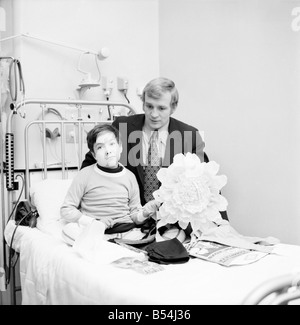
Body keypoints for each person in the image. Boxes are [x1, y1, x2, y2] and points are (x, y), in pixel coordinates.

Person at [81, 77, 228, 220]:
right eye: (149, 106)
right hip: (126, 214)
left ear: (173, 107)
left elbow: (207, 184)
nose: (154, 114)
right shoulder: (122, 128)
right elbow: (90, 165)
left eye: (161, 108)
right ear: (143, 103)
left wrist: (222, 226)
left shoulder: (189, 136)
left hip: (171, 217)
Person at [60, 124, 159, 230]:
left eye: (112, 144)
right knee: (68, 231)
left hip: (126, 230)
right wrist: (93, 222)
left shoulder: (130, 177)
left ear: (120, 147)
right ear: (94, 155)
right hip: (95, 230)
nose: (108, 151)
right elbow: (66, 209)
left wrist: (146, 211)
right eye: (100, 147)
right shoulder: (84, 175)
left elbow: (135, 217)